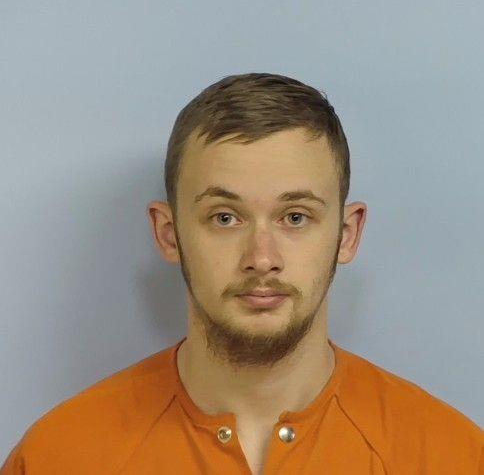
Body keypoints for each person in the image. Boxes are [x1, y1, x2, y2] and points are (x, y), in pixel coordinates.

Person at [2, 73, 482, 474]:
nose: (262, 258)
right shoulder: (58, 457)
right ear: (169, 234)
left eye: (295, 217)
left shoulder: (451, 456)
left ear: (347, 234)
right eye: (225, 217)